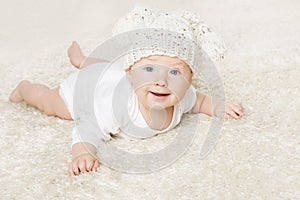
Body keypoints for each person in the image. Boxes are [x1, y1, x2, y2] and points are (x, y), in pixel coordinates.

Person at [9, 7, 244, 176]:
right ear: (130, 73)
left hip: (108, 74)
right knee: (51, 105)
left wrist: (218, 106)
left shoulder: (183, 97)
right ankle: (27, 88)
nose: (161, 81)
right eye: (150, 68)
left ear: (190, 79)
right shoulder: (116, 108)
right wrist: (81, 154)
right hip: (85, 91)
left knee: (106, 69)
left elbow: (200, 101)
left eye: (175, 73)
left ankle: (84, 61)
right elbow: (86, 127)